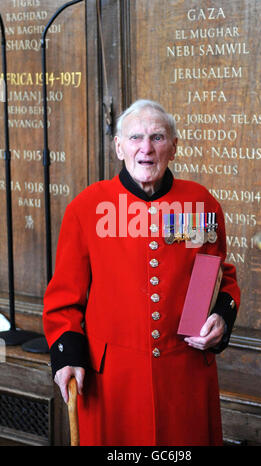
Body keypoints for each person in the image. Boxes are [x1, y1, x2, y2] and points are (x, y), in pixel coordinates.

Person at [43, 99, 240, 446]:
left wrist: (221, 317)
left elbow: (218, 276)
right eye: (135, 138)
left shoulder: (199, 204)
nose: (146, 148)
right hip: (112, 384)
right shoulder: (87, 208)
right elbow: (63, 298)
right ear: (119, 147)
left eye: (157, 137)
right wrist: (67, 356)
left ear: (174, 147)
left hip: (185, 377)